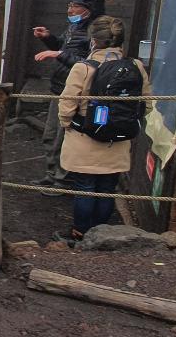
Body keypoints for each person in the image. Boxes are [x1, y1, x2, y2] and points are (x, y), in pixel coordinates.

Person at [56, 15, 149, 242]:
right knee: (108, 187)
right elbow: (146, 102)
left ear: (94, 41)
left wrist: (66, 123)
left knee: (85, 186)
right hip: (118, 139)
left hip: (85, 135)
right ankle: (102, 234)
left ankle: (80, 233)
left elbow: (68, 102)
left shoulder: (83, 68)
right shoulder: (135, 66)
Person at [33, 0, 107, 186]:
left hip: (76, 93)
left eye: (75, 6)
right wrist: (49, 39)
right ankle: (52, 173)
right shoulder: (75, 26)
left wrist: (58, 54)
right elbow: (64, 48)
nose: (70, 10)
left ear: (89, 8)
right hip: (59, 87)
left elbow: (91, 65)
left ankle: (63, 179)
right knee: (50, 135)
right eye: (70, 5)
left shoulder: (97, 32)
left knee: (64, 137)